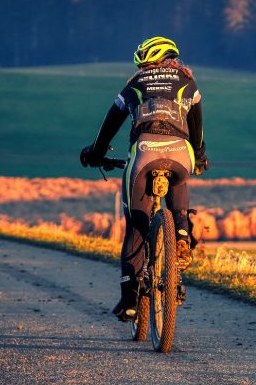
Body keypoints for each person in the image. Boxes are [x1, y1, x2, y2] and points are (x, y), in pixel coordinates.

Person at [80, 36, 209, 321]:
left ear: (145, 64)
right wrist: (199, 157)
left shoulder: (134, 85)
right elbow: (197, 128)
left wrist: (96, 152)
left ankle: (129, 300)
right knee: (180, 179)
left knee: (136, 227)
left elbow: (109, 124)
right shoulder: (188, 82)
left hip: (144, 154)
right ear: (171, 60)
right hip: (180, 154)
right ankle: (183, 233)